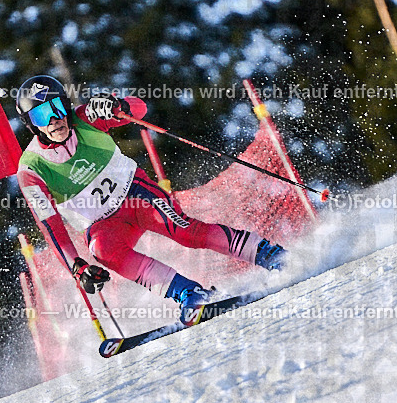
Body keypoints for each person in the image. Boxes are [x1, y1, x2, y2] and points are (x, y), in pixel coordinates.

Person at [15, 75, 287, 326]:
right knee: (102, 250)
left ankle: (268, 253)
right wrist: (77, 267)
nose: (54, 119)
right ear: (31, 124)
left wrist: (116, 105)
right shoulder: (32, 171)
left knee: (184, 232)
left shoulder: (86, 117)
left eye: (57, 107)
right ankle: (189, 292)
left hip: (136, 195)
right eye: (42, 115)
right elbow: (51, 228)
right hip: (103, 224)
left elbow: (140, 110)